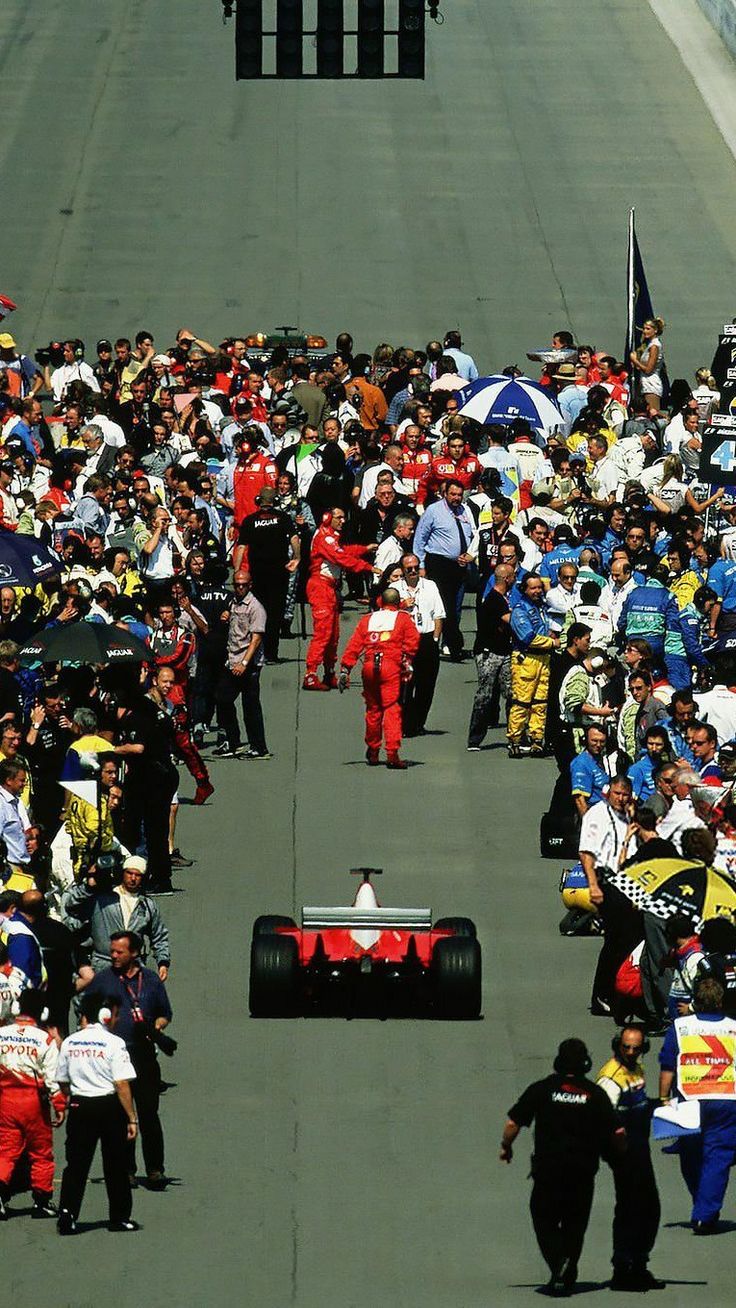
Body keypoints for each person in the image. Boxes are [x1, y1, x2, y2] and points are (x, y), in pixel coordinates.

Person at [500, 1037, 621, 1298]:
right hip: (582, 1171)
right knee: (575, 1224)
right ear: (585, 1063)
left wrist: (506, 1146)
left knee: (542, 1217)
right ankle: (566, 1269)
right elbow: (617, 1131)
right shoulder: (595, 1094)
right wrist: (618, 1153)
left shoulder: (542, 1089)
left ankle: (558, 1263)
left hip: (548, 1170)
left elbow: (513, 1123)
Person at [85, 930, 173, 1192]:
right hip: (114, 1058)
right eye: (112, 951)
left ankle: (155, 1169)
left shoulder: (151, 981)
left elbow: (165, 1013)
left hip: (143, 1056)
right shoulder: (103, 980)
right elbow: (86, 1013)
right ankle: (126, 1170)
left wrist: (157, 1025)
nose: (113, 956)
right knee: (122, 1115)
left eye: (119, 952)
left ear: (134, 953)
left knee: (148, 1115)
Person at [55, 991, 139, 1235]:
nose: (117, 1018)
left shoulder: (70, 1042)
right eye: (114, 1014)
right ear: (104, 1015)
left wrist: (74, 1094)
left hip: (80, 1106)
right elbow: (121, 1083)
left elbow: (62, 1080)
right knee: (115, 1164)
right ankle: (119, 1217)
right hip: (109, 1107)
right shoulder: (115, 1043)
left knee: (76, 1164)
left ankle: (68, 1213)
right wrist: (131, 1117)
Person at [659, 977, 736, 1233]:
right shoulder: (733, 1028)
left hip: (689, 1098)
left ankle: (702, 1203)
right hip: (726, 1099)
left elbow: (668, 1067)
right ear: (721, 1001)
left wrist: (663, 1099)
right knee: (718, 1157)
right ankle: (705, 1211)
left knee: (690, 1156)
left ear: (695, 1001)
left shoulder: (680, 1028)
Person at [596, 1027, 663, 1291]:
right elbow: (604, 1118)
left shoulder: (637, 1070)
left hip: (640, 1149)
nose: (631, 1052)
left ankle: (639, 1263)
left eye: (636, 1048)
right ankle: (622, 1269)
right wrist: (615, 1152)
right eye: (626, 1047)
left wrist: (661, 1105)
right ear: (617, 1046)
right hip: (624, 1154)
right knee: (629, 1209)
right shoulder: (610, 1078)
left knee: (650, 1208)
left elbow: (641, 1105)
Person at [0, 988, 66, 1222]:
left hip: (5, 1101)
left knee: (6, 1151)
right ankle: (41, 1201)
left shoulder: (1, 1034)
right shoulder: (45, 1039)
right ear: (43, 1012)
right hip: (33, 1103)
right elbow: (52, 1078)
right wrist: (60, 1106)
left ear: (17, 1008)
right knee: (41, 1153)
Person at [339, 587, 421, 768]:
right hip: (390, 666)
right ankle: (392, 753)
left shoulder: (367, 619)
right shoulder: (403, 618)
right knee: (391, 709)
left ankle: (373, 750)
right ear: (398, 602)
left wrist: (345, 669)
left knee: (373, 710)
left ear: (380, 602)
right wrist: (406, 661)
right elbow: (413, 641)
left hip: (369, 667)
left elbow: (354, 645)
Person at [302, 507, 375, 691]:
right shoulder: (325, 538)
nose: (343, 521)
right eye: (339, 517)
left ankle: (328, 673)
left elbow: (343, 551)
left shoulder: (331, 537)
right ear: (328, 518)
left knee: (333, 635)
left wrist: (363, 549)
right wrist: (368, 567)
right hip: (321, 587)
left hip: (330, 589)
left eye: (344, 517)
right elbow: (341, 557)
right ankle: (310, 675)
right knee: (323, 633)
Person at [62, 854, 171, 977]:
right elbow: (71, 906)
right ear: (122, 873)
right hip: (103, 966)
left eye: (138, 875)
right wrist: (88, 885)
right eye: (129, 873)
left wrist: (163, 963)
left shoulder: (147, 906)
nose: (133, 878)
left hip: (133, 968)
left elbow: (159, 936)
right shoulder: (103, 898)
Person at [234, 486, 300, 663]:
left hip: (258, 574)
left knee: (257, 612)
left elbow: (241, 547)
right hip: (279, 573)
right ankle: (272, 653)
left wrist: (237, 570)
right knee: (275, 614)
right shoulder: (283, 518)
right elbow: (294, 538)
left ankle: (256, 651)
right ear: (275, 501)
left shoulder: (249, 521)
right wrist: (297, 558)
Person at [413, 480, 475, 661]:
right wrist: (421, 566)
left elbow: (470, 534)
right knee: (445, 606)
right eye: (453, 494)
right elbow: (420, 539)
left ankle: (449, 643)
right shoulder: (433, 511)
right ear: (445, 494)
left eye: (459, 495)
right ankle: (455, 646)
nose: (456, 498)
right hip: (439, 564)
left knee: (455, 607)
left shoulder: (464, 511)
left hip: (460, 565)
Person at [214, 570, 270, 759]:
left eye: (243, 585)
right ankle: (233, 742)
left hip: (248, 664)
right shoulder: (234, 602)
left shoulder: (255, 608)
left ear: (250, 585)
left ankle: (259, 747)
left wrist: (245, 663)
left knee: (250, 706)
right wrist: (226, 615)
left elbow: (256, 639)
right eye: (237, 584)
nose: (239, 588)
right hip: (232, 659)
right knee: (222, 699)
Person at [507, 574, 560, 758]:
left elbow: (544, 629)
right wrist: (552, 643)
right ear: (524, 590)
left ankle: (537, 740)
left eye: (539, 587)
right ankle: (514, 740)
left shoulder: (541, 607)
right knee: (522, 702)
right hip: (526, 660)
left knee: (540, 703)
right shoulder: (520, 610)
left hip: (543, 660)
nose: (537, 591)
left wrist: (551, 636)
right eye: (533, 588)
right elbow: (528, 638)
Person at [395, 553, 444, 737]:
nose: (414, 571)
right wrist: (401, 605)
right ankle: (404, 724)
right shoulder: (395, 588)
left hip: (426, 639)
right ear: (403, 570)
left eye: (416, 567)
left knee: (427, 685)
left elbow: (438, 614)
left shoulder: (430, 586)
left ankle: (418, 723)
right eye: (409, 569)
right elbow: (386, 612)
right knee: (405, 685)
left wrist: (435, 639)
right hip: (404, 642)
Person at [467, 562, 513, 750]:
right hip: (488, 653)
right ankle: (475, 738)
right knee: (485, 695)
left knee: (512, 693)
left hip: (504, 652)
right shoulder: (494, 599)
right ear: (507, 579)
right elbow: (511, 621)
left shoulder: (503, 598)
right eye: (513, 576)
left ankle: (515, 734)